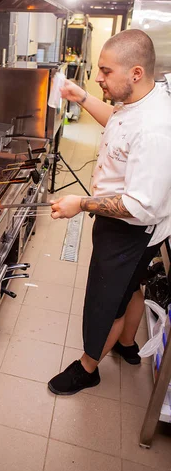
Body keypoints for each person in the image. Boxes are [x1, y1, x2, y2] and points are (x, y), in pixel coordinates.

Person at [47, 29, 171, 395]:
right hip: (130, 230)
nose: (97, 77)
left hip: (130, 230)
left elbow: (137, 206)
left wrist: (80, 204)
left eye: (104, 71)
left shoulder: (156, 129)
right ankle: (127, 343)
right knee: (131, 287)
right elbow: (118, 121)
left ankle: (88, 368)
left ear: (135, 72)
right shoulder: (143, 101)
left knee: (107, 299)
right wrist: (81, 96)